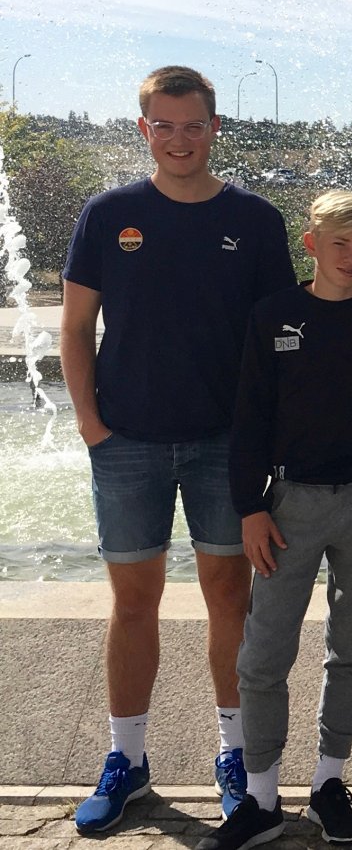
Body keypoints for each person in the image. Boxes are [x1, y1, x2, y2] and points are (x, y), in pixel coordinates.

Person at [63, 65, 296, 835]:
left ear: (215, 128)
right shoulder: (108, 214)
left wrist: (267, 441)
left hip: (224, 447)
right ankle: (127, 760)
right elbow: (75, 328)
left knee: (229, 600)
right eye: (163, 126)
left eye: (193, 125)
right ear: (144, 130)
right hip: (126, 443)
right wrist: (92, 425)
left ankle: (235, 756)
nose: (179, 139)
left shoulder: (255, 220)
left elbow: (277, 341)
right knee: (134, 604)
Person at [201, 190, 352, 849]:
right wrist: (249, 507)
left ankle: (329, 783)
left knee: (351, 650)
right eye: (340, 244)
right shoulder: (273, 315)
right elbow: (249, 418)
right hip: (288, 504)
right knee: (264, 654)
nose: (351, 257)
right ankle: (261, 797)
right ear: (311, 245)